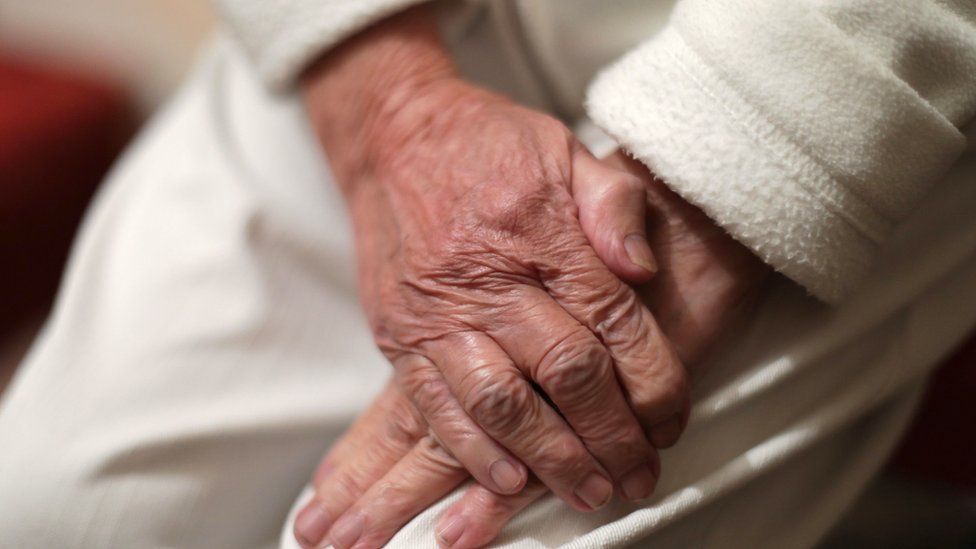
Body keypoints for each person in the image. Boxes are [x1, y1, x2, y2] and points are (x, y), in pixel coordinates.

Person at [0, 0, 974, 548]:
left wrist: (738, 162)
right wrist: (385, 105)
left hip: (812, 62)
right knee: (56, 517)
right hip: (375, 35)